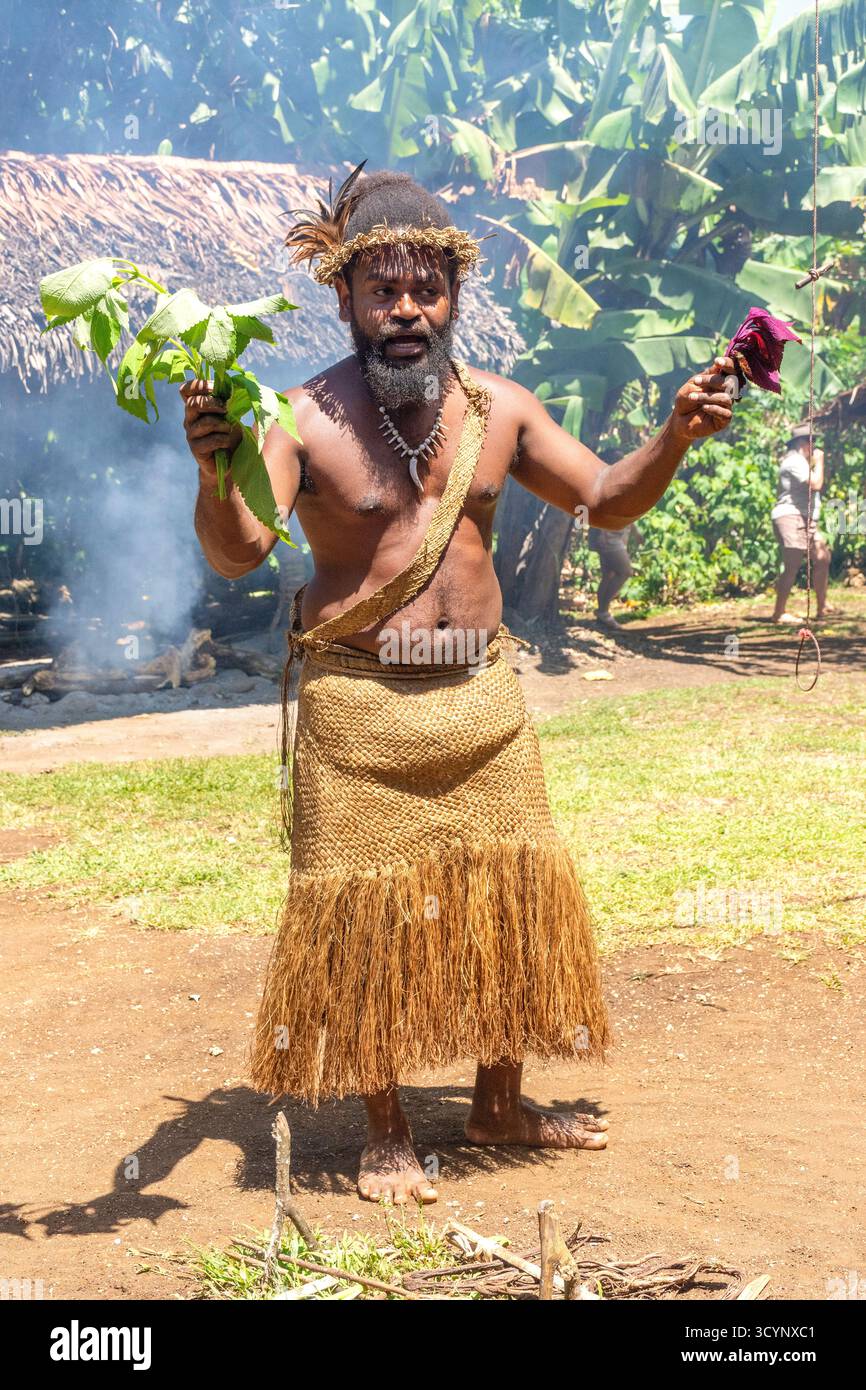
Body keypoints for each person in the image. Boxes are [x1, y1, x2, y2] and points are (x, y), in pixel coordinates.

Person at [182, 165, 738, 1205]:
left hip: (481, 707)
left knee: (509, 897)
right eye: (381, 290)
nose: (404, 311)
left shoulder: (500, 410)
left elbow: (607, 501)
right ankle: (384, 1131)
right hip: (357, 712)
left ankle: (497, 1099)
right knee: (362, 918)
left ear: (453, 295)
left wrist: (671, 435)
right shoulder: (297, 419)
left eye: (424, 289)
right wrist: (214, 475)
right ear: (343, 297)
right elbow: (238, 550)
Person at [771, 425, 831, 624]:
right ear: (803, 443)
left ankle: (822, 607)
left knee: (822, 557)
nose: (815, 448)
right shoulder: (794, 461)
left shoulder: (802, 462)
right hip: (791, 517)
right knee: (793, 565)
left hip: (806, 519)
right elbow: (816, 484)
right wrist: (820, 462)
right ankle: (779, 613)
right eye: (812, 443)